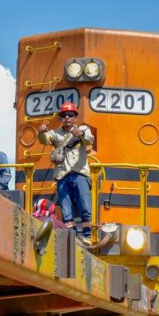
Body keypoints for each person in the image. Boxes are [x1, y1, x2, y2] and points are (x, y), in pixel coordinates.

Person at [37, 102, 94, 237]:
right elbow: (45, 140)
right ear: (60, 118)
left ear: (75, 117)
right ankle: (70, 237)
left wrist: (81, 134)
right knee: (66, 210)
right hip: (63, 176)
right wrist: (41, 133)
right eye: (64, 115)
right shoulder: (55, 134)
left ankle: (87, 236)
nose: (67, 117)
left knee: (85, 207)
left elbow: (90, 140)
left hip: (80, 174)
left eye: (70, 115)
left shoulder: (84, 130)